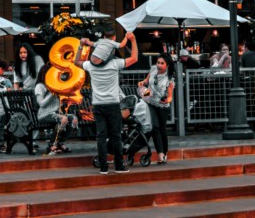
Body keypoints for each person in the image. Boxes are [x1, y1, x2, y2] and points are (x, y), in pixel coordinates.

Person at [77, 29, 137, 174]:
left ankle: (103, 167)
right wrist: (133, 41)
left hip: (98, 104)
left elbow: (76, 62)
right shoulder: (115, 64)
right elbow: (134, 58)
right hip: (113, 104)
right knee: (116, 136)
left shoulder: (90, 66)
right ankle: (119, 166)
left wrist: (81, 46)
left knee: (101, 137)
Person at [138, 53, 174, 164]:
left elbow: (170, 97)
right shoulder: (153, 70)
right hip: (150, 102)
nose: (159, 65)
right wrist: (142, 83)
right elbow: (146, 81)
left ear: (167, 65)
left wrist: (166, 100)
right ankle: (160, 154)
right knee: (155, 128)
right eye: (158, 62)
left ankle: (164, 153)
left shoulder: (169, 78)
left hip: (162, 106)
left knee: (162, 129)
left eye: (162, 63)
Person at [33, 63, 76, 155]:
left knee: (73, 119)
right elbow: (41, 104)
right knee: (63, 119)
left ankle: (60, 142)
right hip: (44, 114)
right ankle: (52, 145)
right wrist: (53, 93)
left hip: (56, 113)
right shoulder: (40, 86)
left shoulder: (55, 84)